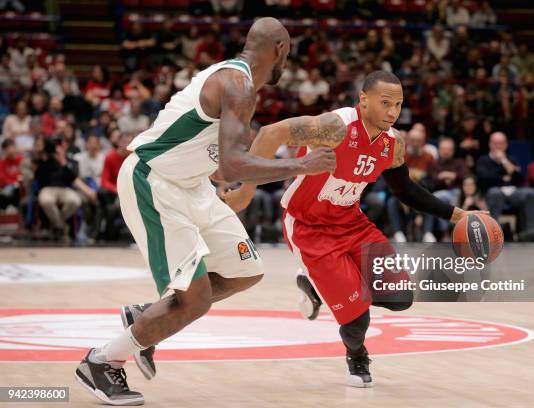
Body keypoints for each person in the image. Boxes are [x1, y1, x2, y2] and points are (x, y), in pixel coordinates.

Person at [75, 18, 335, 406]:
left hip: (191, 186)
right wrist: (300, 166)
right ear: (280, 49)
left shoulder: (238, 84)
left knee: (245, 270)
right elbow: (232, 164)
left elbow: (214, 157)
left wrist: (219, 170)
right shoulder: (238, 85)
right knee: (194, 300)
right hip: (154, 181)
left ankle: (150, 315)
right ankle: (101, 361)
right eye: (289, 55)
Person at [223, 70, 481, 388]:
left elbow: (405, 190)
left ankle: (319, 288)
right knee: (358, 318)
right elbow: (270, 134)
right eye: (385, 103)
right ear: (363, 99)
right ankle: (357, 355)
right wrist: (245, 192)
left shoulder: (392, 143)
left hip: (352, 224)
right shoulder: (335, 127)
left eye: (398, 105)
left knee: (401, 297)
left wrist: (458, 215)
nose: (392, 112)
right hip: (309, 227)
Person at [476, 131, 534, 233]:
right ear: (490, 144)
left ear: (506, 145)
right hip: (493, 192)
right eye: (495, 143)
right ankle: (492, 232)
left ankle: (529, 231)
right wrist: (503, 178)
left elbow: (519, 178)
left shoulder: (511, 159)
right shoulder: (483, 160)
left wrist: (504, 160)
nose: (498, 146)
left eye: (501, 143)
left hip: (513, 192)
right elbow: (484, 179)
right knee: (494, 193)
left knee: (530, 193)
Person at [423, 137, 468, 242]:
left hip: (457, 195)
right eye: (443, 149)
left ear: (453, 151)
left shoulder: (459, 163)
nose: (446, 152)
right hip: (439, 195)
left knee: (439, 198)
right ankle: (448, 229)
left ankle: (443, 232)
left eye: (449, 149)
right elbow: (430, 182)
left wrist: (454, 176)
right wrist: (442, 178)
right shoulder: (434, 164)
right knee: (438, 197)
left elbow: (466, 177)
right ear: (439, 149)